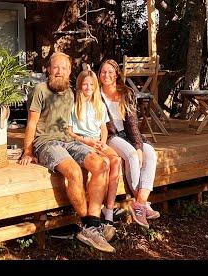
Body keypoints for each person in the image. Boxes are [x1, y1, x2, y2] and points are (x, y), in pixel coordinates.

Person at [18, 52, 115, 253]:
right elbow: (31, 123)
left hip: (69, 141)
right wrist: (28, 150)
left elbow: (89, 105)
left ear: (70, 71)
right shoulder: (40, 90)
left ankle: (93, 223)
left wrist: (93, 140)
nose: (59, 71)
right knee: (74, 171)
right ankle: (90, 226)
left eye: (64, 68)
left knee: (102, 164)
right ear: (48, 69)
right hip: (46, 143)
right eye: (56, 67)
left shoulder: (72, 93)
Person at [98, 59, 160, 228]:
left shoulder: (127, 92)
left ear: (117, 74)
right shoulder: (96, 93)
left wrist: (139, 146)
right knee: (132, 156)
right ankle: (141, 204)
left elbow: (132, 123)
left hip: (129, 134)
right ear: (99, 74)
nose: (107, 75)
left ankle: (139, 203)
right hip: (111, 136)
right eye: (103, 72)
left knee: (150, 154)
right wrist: (136, 150)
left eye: (110, 72)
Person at [65, 68, 127, 227]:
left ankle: (109, 209)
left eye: (91, 85)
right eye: (85, 84)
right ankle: (96, 208)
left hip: (98, 141)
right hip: (82, 142)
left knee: (115, 160)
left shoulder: (98, 104)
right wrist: (86, 141)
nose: (88, 88)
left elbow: (104, 128)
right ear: (79, 86)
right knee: (104, 162)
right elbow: (70, 132)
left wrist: (103, 142)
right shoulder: (74, 105)